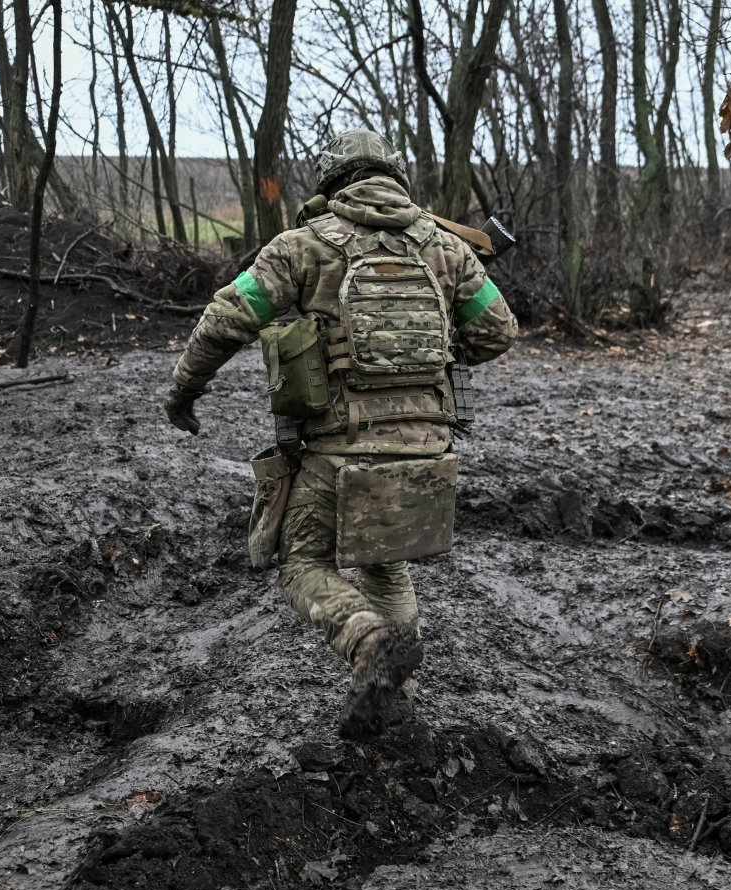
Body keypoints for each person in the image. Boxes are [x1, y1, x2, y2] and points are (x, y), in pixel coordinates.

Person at [163, 128, 516, 738]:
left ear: (330, 181)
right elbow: (498, 332)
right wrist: (428, 353)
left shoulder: (300, 248)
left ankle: (367, 639)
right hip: (430, 448)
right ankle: (395, 695)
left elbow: (226, 319)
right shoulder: (448, 250)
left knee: (301, 565)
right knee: (387, 564)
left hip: (339, 454)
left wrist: (183, 392)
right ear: (394, 177)